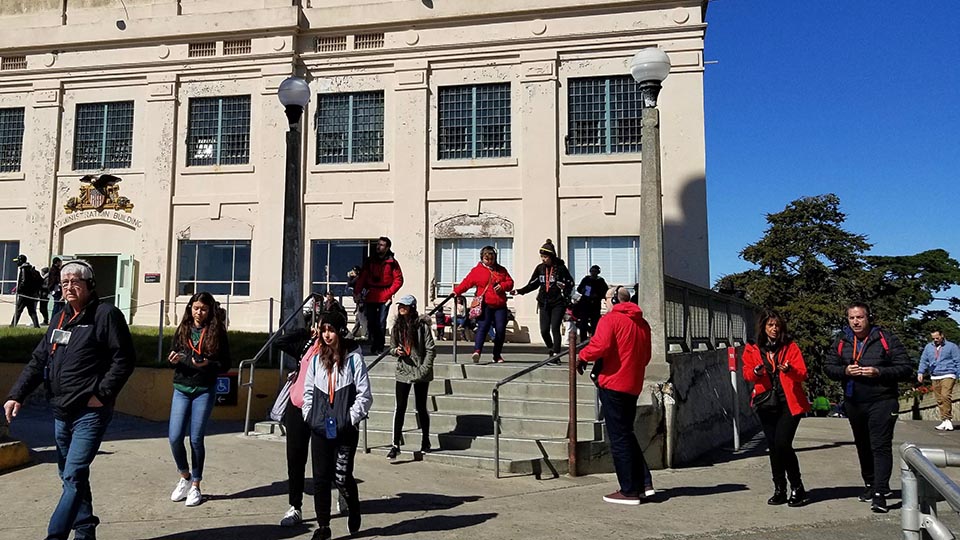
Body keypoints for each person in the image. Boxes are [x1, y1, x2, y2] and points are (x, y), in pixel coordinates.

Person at [4, 259, 136, 540]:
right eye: (64, 283)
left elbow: (124, 359)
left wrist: (102, 394)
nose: (69, 287)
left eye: (75, 281)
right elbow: (39, 359)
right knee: (70, 475)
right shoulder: (59, 318)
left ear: (90, 285)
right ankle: (85, 530)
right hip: (61, 412)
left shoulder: (105, 315)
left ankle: (56, 535)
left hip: (90, 412)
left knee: (73, 475)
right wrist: (17, 394)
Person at [824, 301, 913, 514]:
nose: (856, 322)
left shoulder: (885, 338)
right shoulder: (842, 340)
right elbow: (828, 367)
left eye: (860, 317)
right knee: (863, 445)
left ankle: (880, 493)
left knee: (879, 445)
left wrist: (879, 372)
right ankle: (870, 484)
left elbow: (905, 368)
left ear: (868, 318)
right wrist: (845, 371)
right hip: (854, 401)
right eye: (852, 318)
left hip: (882, 400)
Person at [576, 285, 652, 505]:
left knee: (619, 438)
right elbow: (646, 356)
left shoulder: (610, 320)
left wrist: (582, 355)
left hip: (614, 382)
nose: (605, 302)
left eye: (607, 298)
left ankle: (629, 490)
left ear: (615, 301)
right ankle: (643, 483)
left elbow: (599, 346)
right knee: (626, 433)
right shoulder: (642, 323)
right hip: (633, 383)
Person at [302, 310, 372, 540]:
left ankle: (353, 506)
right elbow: (308, 392)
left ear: (340, 332)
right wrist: (310, 416)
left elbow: (364, 396)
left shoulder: (354, 360)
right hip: (320, 427)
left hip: (345, 430)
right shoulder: (316, 360)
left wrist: (349, 419)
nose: (326, 335)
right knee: (320, 478)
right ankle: (323, 526)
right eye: (323, 330)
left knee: (341, 476)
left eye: (331, 330)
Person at [166, 292, 231, 507]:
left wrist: (208, 365)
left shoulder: (217, 332)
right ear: (190, 308)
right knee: (175, 437)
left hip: (204, 389)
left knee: (195, 439)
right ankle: (184, 476)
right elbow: (173, 353)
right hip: (181, 388)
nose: (199, 313)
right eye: (195, 308)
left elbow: (225, 364)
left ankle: (196, 484)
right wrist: (172, 359)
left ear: (210, 310)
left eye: (203, 309)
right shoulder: (183, 329)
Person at [742, 310, 811, 507]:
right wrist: (756, 372)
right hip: (765, 402)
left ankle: (797, 486)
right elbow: (747, 374)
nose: (774, 329)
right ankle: (780, 488)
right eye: (770, 325)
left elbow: (802, 373)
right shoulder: (753, 348)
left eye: (777, 325)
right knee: (773, 447)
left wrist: (790, 370)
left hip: (789, 402)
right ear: (763, 327)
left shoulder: (790, 347)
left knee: (782, 443)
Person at [386, 295, 436, 459]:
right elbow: (392, 348)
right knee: (400, 406)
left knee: (421, 406)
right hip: (403, 370)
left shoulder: (422, 327)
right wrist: (396, 351)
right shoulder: (397, 327)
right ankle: (395, 444)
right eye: (400, 305)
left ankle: (425, 440)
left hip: (420, 370)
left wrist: (423, 369)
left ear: (412, 307)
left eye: (405, 306)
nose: (402, 308)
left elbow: (430, 349)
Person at [512, 239, 574, 360]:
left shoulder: (561, 268)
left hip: (558, 303)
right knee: (544, 330)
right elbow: (532, 284)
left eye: (545, 257)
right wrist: (519, 291)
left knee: (555, 328)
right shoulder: (540, 268)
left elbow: (570, 282)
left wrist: (564, 286)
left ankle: (556, 354)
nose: (543, 259)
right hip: (544, 303)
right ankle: (551, 348)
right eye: (542, 257)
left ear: (551, 257)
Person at [452, 246, 514, 363]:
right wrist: (456, 292)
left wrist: (503, 286)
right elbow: (466, 283)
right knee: (483, 327)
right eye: (487, 259)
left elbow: (510, 283)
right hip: (485, 305)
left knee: (500, 330)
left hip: (500, 305)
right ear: (482, 258)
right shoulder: (476, 271)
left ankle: (497, 355)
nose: (490, 261)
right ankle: (477, 351)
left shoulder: (502, 270)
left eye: (492, 259)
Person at [354, 237, 404, 355]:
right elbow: (362, 278)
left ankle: (379, 346)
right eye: (378, 244)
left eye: (381, 245)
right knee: (371, 322)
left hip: (384, 295)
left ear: (387, 248)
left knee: (381, 322)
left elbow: (399, 280)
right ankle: (374, 343)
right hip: (371, 295)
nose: (378, 247)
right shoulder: (370, 261)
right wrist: (357, 292)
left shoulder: (392, 263)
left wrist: (389, 292)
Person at [917, 330, 960, 431]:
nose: (935, 340)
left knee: (945, 395)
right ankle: (944, 420)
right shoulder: (928, 347)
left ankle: (948, 419)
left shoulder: (952, 346)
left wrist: (959, 374)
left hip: (948, 373)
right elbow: (924, 360)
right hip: (935, 375)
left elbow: (958, 361)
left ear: (942, 336)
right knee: (939, 399)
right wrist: (920, 372)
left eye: (937, 338)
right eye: (933, 338)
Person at [576, 265, 608, 339]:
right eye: (592, 271)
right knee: (583, 323)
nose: (593, 273)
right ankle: (583, 339)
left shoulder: (600, 281)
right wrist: (583, 291)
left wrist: (597, 295)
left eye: (595, 271)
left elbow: (605, 292)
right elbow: (579, 289)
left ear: (598, 272)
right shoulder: (586, 279)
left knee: (595, 323)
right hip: (585, 303)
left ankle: (594, 338)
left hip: (595, 305)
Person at [10, 253, 41, 328]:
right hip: (30, 294)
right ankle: (36, 325)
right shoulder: (30, 269)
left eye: (18, 261)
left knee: (18, 310)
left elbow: (23, 281)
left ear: (21, 261)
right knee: (32, 311)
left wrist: (19, 290)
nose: (17, 263)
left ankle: (12, 325)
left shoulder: (24, 269)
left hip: (24, 294)